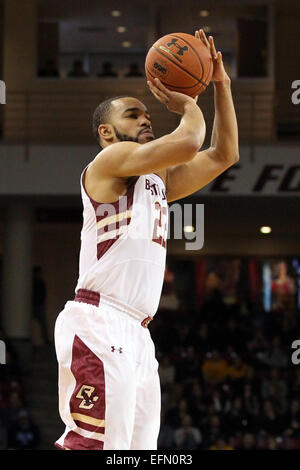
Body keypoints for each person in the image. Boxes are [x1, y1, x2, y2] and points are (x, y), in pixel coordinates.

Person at [54, 29, 239, 450]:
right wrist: (188, 103)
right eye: (133, 115)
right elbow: (191, 140)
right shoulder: (109, 161)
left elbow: (225, 153)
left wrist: (221, 84)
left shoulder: (159, 179)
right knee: (93, 445)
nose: (146, 119)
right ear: (106, 132)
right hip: (99, 322)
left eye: (147, 115)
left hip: (138, 331)